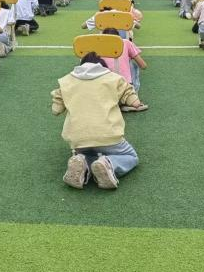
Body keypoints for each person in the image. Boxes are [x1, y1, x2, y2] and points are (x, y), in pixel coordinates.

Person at [51, 52, 147, 190]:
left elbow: (56, 109)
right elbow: (131, 96)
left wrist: (57, 106)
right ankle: (109, 163)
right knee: (130, 156)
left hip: (78, 139)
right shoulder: (113, 78)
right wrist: (135, 102)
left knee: (87, 153)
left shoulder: (66, 81)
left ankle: (83, 163)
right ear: (103, 66)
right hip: (108, 135)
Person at [101, 28, 147, 93]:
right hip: (125, 84)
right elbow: (143, 66)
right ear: (119, 38)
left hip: (106, 85)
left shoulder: (98, 47)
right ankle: (134, 93)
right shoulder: (126, 42)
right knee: (134, 66)